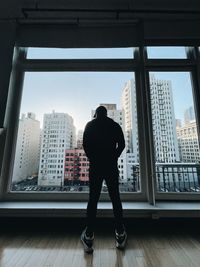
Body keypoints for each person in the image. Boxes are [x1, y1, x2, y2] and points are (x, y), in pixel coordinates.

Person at [81, 105, 127, 253]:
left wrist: (93, 158)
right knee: (115, 198)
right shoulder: (114, 125)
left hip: (96, 167)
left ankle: (89, 235)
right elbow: (122, 145)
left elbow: (85, 145)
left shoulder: (90, 125)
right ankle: (120, 233)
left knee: (93, 199)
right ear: (107, 114)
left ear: (96, 114)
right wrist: (114, 156)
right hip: (111, 166)